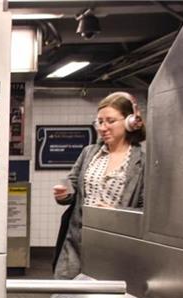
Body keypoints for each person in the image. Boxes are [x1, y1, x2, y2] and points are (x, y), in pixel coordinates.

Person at [52, 91, 146, 279]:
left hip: (116, 246)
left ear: (130, 122)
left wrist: (117, 212)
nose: (103, 127)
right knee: (64, 295)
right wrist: (64, 193)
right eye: (100, 122)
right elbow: (73, 183)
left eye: (110, 121)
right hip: (77, 242)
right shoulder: (90, 153)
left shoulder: (142, 163)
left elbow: (147, 209)